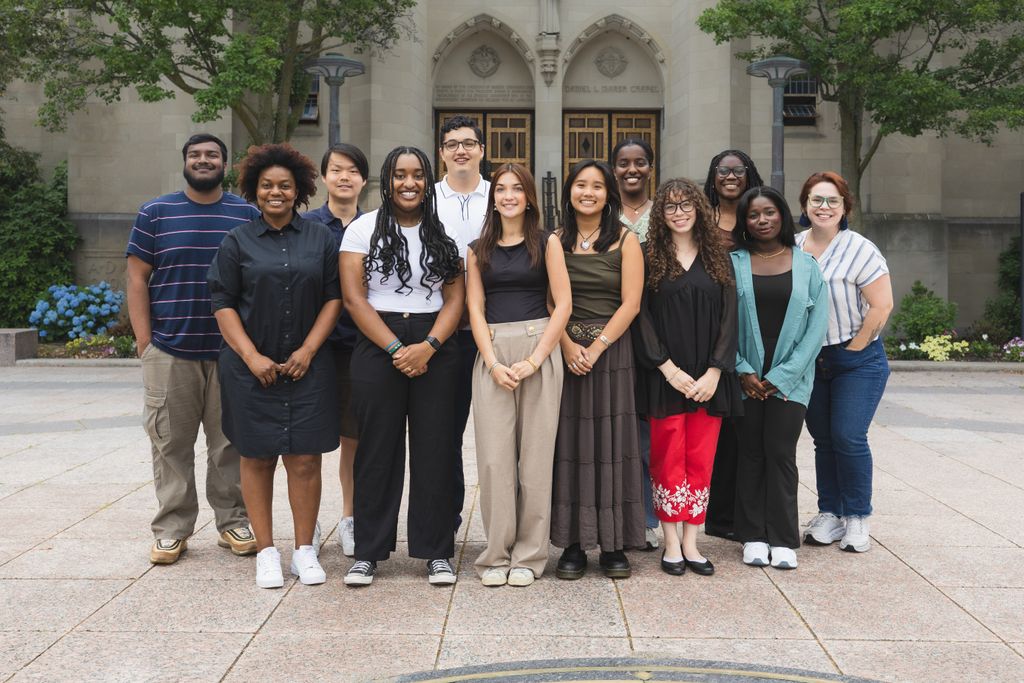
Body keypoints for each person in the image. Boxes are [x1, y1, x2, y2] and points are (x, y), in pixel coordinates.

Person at [207, 143, 341, 589]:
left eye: (285, 185)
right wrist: (251, 356)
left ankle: (304, 551)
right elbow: (223, 304)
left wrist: (307, 350)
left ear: (299, 189)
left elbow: (333, 298)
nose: (276, 192)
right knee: (257, 456)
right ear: (254, 190)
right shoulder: (236, 241)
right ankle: (266, 552)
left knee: (305, 459)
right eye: (267, 186)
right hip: (251, 368)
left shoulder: (320, 238)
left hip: (308, 366)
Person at [126, 133, 258, 565]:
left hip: (231, 351)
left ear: (224, 163)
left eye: (212, 155)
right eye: (196, 155)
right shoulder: (156, 212)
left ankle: (233, 521)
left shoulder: (246, 213)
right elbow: (136, 280)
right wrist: (145, 344)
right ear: (184, 161)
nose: (204, 160)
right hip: (169, 350)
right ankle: (171, 529)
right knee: (170, 444)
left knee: (229, 445)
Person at [340, 146, 465, 587]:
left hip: (436, 344)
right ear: (387, 180)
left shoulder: (446, 232)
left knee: (436, 448)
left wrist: (428, 345)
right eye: (399, 175)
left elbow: (456, 299)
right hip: (379, 342)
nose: (408, 183)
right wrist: (396, 347)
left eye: (416, 175)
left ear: (427, 180)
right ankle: (368, 553)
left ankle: (436, 552)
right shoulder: (361, 230)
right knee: (377, 449)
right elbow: (355, 299)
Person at [467, 163, 572, 587]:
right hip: (492, 353)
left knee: (534, 461)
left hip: (538, 350)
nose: (508, 195)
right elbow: (474, 308)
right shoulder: (477, 249)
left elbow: (562, 305)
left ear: (528, 197)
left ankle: (529, 555)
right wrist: (491, 361)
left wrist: (535, 359)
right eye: (501, 189)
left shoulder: (547, 243)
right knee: (494, 461)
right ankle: (495, 555)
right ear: (493, 197)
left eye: (516, 189)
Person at [633, 178, 742, 577]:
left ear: (698, 208)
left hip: (709, 379)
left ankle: (693, 543)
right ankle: (671, 542)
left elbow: (731, 317)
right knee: (666, 460)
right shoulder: (648, 256)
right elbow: (640, 317)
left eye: (685, 205)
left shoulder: (718, 257)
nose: (679, 213)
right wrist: (666, 368)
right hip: (665, 376)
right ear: (660, 215)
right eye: (670, 207)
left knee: (700, 459)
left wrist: (715, 371)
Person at [550, 159, 645, 580]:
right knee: (568, 444)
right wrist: (568, 345)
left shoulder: (625, 240)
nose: (588, 192)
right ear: (569, 191)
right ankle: (572, 542)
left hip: (612, 354)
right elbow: (549, 300)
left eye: (597, 186)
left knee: (611, 443)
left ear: (609, 194)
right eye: (580, 185)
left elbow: (632, 303)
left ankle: (612, 543)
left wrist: (598, 346)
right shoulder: (554, 239)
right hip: (565, 353)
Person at [730, 186, 828, 570]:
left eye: (769, 212)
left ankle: (784, 538)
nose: (762, 220)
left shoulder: (807, 265)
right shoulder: (733, 262)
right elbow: (722, 325)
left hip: (792, 381)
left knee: (781, 454)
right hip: (745, 379)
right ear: (745, 222)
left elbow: (816, 328)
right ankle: (753, 537)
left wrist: (783, 376)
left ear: (782, 215)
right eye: (753, 215)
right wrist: (742, 370)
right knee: (750, 454)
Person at [796, 171, 893, 553]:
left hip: (857, 360)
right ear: (804, 205)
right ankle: (830, 514)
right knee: (823, 440)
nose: (824, 207)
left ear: (844, 207)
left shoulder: (859, 248)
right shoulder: (793, 247)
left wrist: (853, 349)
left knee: (848, 437)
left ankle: (857, 518)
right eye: (816, 200)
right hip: (811, 361)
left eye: (832, 201)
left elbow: (881, 305)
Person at [301, 143, 369, 557]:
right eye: (336, 170)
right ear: (324, 178)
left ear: (363, 180)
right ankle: (307, 520)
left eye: (353, 171)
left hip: (358, 348)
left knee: (354, 438)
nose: (344, 177)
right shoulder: (306, 225)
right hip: (312, 348)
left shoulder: (377, 226)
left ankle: (350, 517)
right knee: (307, 441)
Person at [700, 149, 765, 542]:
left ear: (748, 175)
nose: (730, 176)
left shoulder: (758, 216)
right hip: (710, 329)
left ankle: (747, 514)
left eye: (737, 170)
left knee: (747, 431)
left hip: (752, 329)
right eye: (722, 170)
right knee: (718, 431)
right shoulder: (701, 220)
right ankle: (719, 517)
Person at [435, 115, 491, 537]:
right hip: (448, 332)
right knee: (445, 433)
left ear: (481, 151)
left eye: (469, 143)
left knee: (503, 435)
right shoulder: (427, 199)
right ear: (442, 153)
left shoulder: (502, 195)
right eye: (452, 144)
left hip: (496, 328)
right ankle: (447, 522)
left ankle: (507, 524)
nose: (461, 150)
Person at [612, 137, 660, 552]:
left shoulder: (664, 216)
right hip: (610, 332)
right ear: (614, 171)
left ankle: (646, 517)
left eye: (640, 162)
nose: (632, 170)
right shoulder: (600, 215)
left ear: (650, 168)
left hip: (655, 334)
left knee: (646, 434)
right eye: (624, 163)